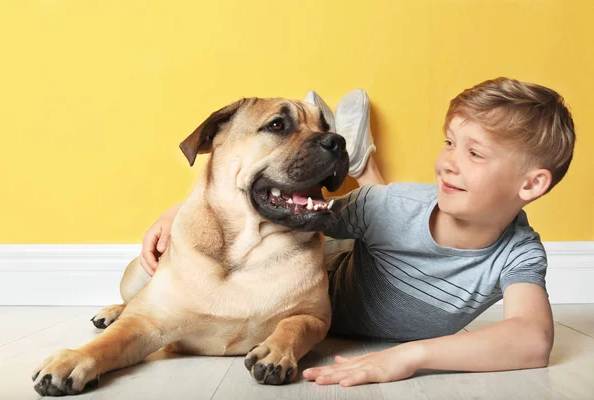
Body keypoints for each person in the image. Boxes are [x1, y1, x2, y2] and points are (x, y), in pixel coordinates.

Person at [138, 78, 576, 387]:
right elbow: (286, 207)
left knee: (380, 207)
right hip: (319, 274)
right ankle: (350, 154)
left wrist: (410, 356)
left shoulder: (519, 253)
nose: (447, 163)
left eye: (474, 152)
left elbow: (532, 340)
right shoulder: (394, 207)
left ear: (532, 185)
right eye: (448, 143)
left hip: (375, 231)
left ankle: (359, 157)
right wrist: (178, 213)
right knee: (368, 207)